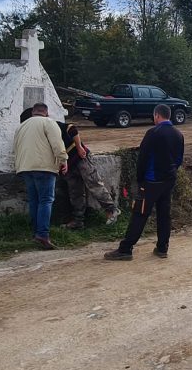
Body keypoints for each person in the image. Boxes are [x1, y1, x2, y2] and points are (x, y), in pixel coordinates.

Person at [104, 104, 184, 261]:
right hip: (168, 181)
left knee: (139, 214)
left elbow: (143, 159)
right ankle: (162, 248)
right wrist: (171, 172)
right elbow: (179, 159)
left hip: (151, 181)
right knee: (164, 215)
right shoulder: (178, 134)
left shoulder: (153, 133)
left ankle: (126, 249)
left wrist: (139, 179)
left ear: (157, 116)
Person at [14, 103, 67, 250]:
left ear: (33, 112)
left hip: (25, 168)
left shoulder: (21, 126)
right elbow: (57, 144)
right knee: (46, 200)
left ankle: (36, 232)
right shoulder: (48, 123)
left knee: (34, 201)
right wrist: (63, 160)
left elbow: (15, 147)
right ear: (46, 112)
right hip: (44, 167)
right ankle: (43, 235)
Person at [59, 121, 120, 229]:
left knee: (94, 184)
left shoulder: (54, 125)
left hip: (80, 158)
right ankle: (78, 221)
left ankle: (112, 210)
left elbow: (72, 129)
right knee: (75, 192)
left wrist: (79, 147)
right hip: (67, 164)